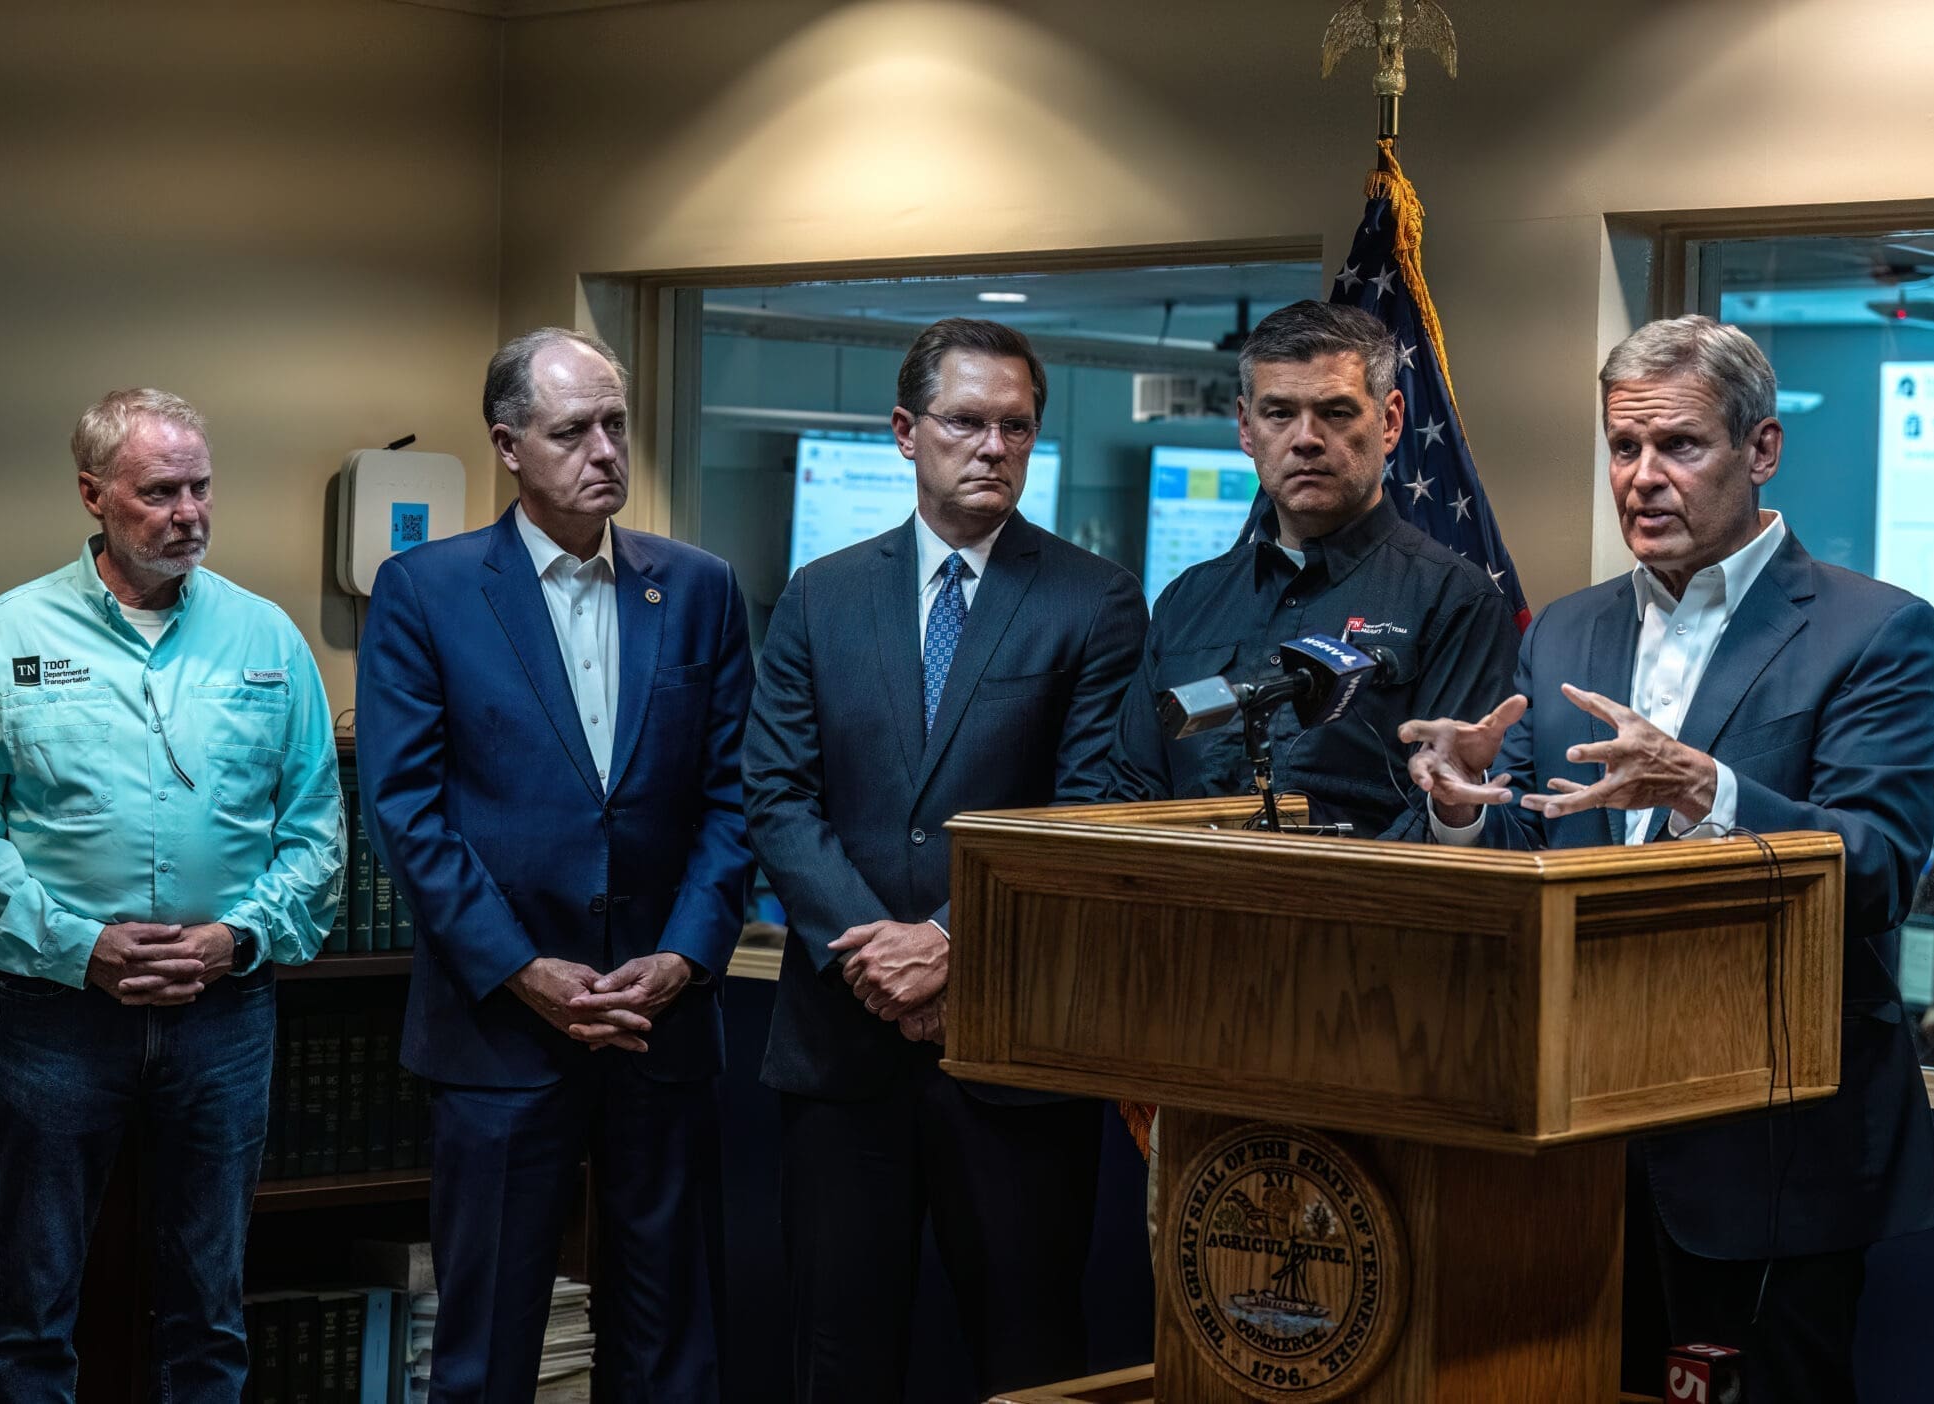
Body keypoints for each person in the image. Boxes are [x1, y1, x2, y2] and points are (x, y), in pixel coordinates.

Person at [1394, 315, 1934, 1402]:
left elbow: (1878, 865)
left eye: (1678, 447)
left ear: (1759, 451)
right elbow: (1537, 846)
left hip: (1769, 1147)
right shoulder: (1561, 631)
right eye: (1621, 448)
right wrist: (1463, 810)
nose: (1640, 479)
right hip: (1569, 1147)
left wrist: (1709, 792)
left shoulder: (1874, 630)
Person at [744, 317, 1148, 1400]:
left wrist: (951, 946)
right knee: (838, 1352)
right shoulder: (821, 593)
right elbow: (776, 796)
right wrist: (873, 957)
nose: (992, 447)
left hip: (1009, 1047)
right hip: (843, 1047)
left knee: (1027, 1355)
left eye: (1015, 427)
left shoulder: (1092, 598)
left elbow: (1092, 802)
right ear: (903, 432)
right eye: (966, 422)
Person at [356, 328, 751, 1403]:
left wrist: (683, 956)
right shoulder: (425, 589)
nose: (604, 449)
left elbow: (733, 797)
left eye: (615, 423)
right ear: (507, 446)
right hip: (499, 1028)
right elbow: (406, 808)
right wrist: (522, 967)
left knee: (668, 1337)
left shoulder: (699, 587)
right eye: (572, 429)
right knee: (485, 1341)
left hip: (657, 1021)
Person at [0, 388, 344, 1401]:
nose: (187, 512)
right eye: (158, 491)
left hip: (224, 1013)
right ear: (93, 495)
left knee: (207, 1304)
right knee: (34, 1305)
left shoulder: (265, 639)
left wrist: (238, 938)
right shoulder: (12, 632)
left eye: (200, 487)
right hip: (60, 1016)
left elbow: (316, 832)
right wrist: (83, 947)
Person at [1107, 300, 1517, 834]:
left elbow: (1444, 806)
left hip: (1364, 905)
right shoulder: (1188, 600)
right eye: (1279, 413)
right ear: (1246, 428)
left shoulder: (1454, 600)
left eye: (1337, 412)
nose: (1306, 438)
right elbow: (1132, 790)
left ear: (1390, 421)